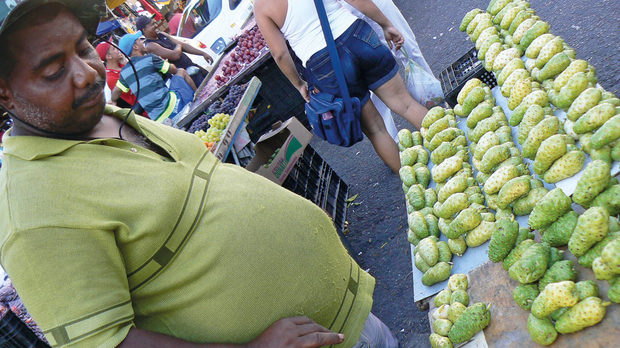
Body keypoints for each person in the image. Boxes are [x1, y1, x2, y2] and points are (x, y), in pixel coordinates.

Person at [0, 1, 397, 347]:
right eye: (53, 71)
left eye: (84, 48)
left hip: (349, 312)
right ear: (4, 93)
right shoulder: (32, 212)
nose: (87, 73)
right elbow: (107, 342)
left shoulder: (102, 116)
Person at [255, 0, 429, 174]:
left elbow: (280, 54)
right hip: (357, 36)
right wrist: (385, 23)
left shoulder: (262, 6)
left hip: (324, 66)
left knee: (376, 130)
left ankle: (420, 185)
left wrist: (299, 84)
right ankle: (453, 143)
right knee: (405, 104)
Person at [110, 31, 196, 123]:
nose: (142, 41)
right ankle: (199, 98)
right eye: (139, 40)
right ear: (135, 47)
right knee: (181, 71)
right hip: (172, 105)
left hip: (157, 119)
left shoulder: (124, 73)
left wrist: (112, 100)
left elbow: (116, 93)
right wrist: (164, 63)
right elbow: (174, 70)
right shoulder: (149, 58)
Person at [136, 15, 211, 87]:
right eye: (152, 25)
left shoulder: (162, 34)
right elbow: (175, 55)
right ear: (144, 30)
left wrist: (203, 53)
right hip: (187, 78)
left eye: (155, 23)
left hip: (193, 67)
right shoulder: (150, 46)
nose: (156, 25)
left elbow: (183, 45)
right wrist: (178, 45)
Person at [95, 41, 146, 115]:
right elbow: (137, 83)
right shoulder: (111, 78)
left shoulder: (122, 64)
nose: (118, 49)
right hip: (144, 108)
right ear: (109, 56)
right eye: (114, 48)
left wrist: (125, 62)